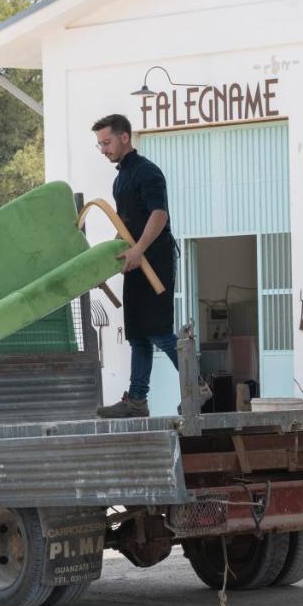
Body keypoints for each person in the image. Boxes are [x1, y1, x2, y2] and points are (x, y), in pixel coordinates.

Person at [92, 113, 180, 419]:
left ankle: (197, 385)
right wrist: (104, 263)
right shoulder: (121, 179)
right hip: (135, 261)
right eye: (100, 144)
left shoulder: (147, 173)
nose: (103, 149)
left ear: (124, 137)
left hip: (155, 260)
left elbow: (159, 215)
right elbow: (124, 227)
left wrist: (140, 250)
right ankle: (137, 400)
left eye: (107, 142)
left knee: (159, 331)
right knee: (138, 335)